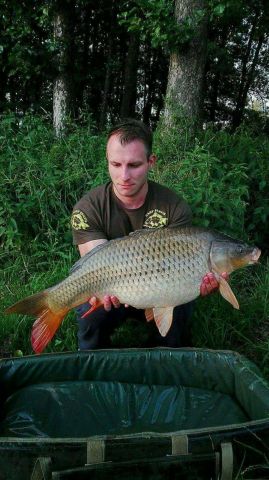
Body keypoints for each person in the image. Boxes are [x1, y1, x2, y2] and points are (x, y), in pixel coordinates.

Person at [71, 119, 224, 350]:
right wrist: (100, 293)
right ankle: (93, 363)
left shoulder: (174, 206)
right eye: (115, 164)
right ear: (107, 162)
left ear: (151, 162)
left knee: (182, 305)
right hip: (114, 289)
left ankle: (162, 356)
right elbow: (96, 267)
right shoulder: (88, 208)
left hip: (160, 286)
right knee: (88, 312)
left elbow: (184, 266)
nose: (124, 175)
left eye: (134, 165)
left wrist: (203, 280)